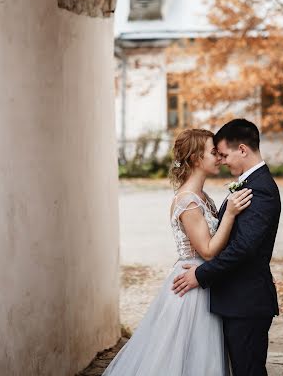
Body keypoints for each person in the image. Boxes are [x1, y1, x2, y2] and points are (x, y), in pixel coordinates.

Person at [101, 128, 252, 376]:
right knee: (182, 353)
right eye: (213, 152)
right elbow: (208, 251)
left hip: (205, 279)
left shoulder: (203, 197)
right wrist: (231, 214)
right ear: (195, 159)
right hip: (192, 286)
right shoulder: (188, 201)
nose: (219, 156)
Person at [173, 119, 281, 376]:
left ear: (242, 150)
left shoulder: (260, 189)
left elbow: (243, 248)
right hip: (234, 298)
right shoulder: (248, 185)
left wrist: (200, 274)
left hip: (246, 300)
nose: (221, 160)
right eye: (216, 154)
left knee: (248, 370)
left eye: (224, 154)